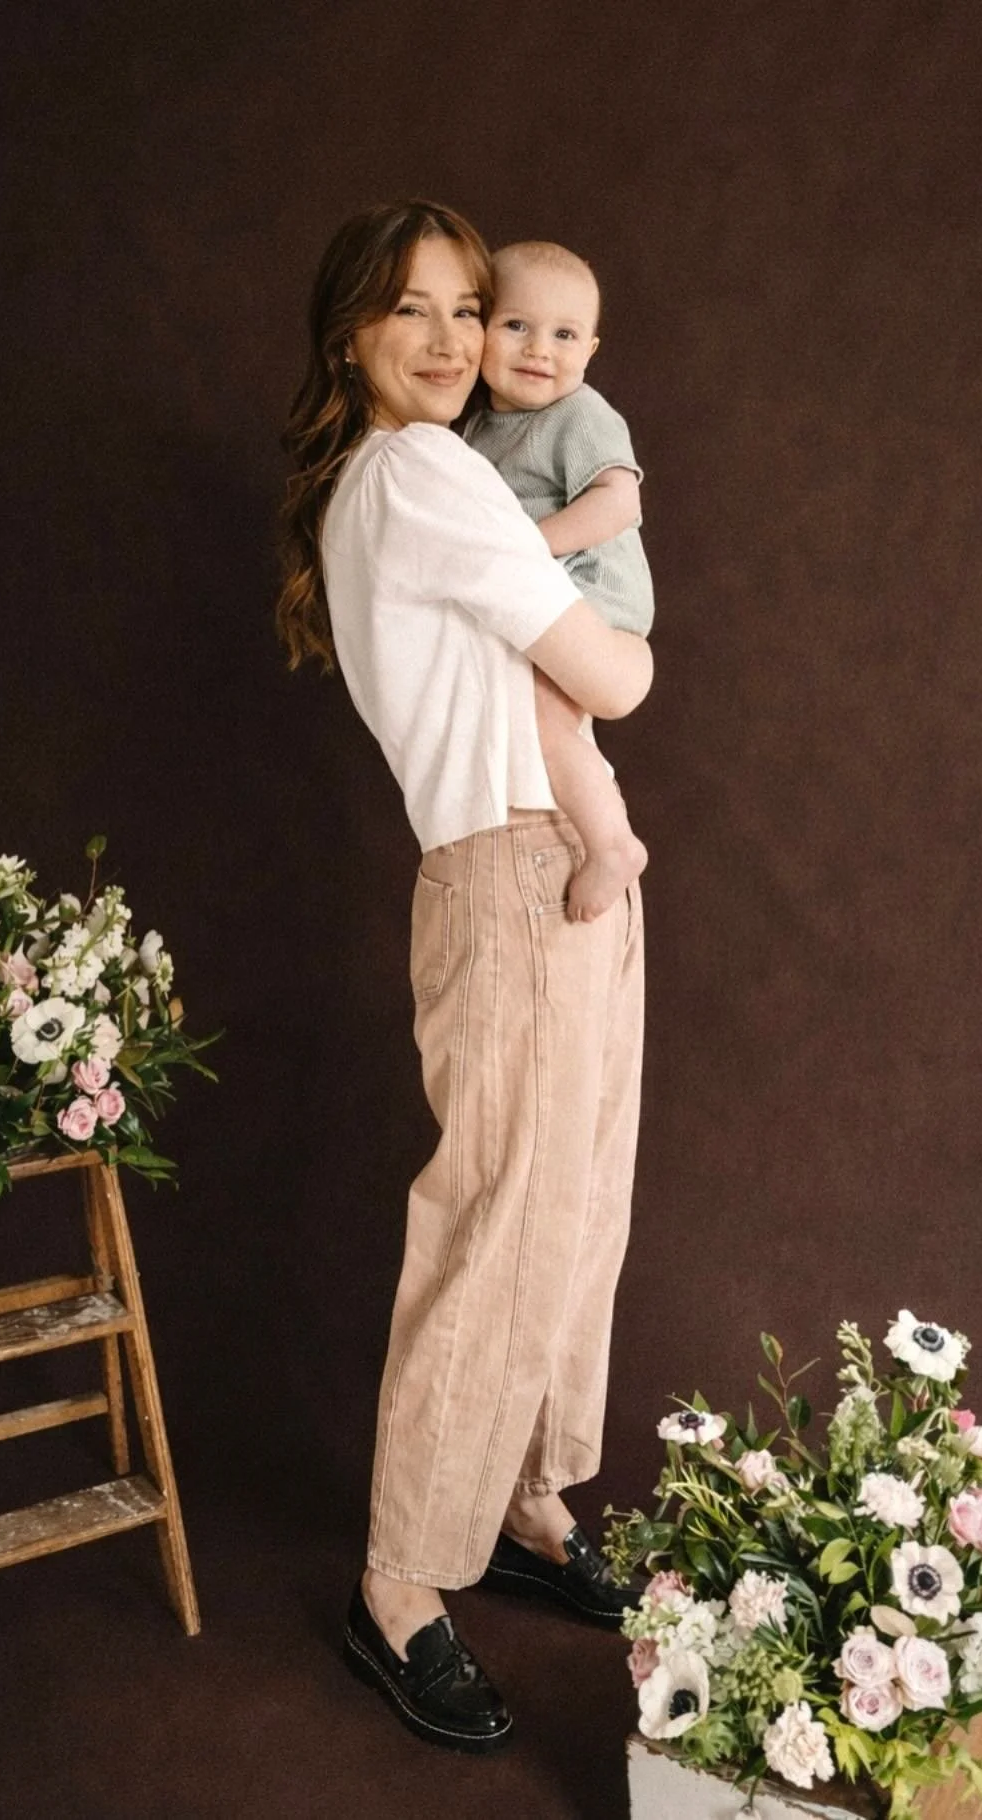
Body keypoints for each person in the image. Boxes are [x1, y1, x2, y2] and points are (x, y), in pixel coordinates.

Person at [277, 199, 650, 1754]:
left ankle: (524, 1499)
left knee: (578, 1200)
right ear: (351, 335)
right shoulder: (421, 470)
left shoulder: (443, 467)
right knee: (501, 1215)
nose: (446, 341)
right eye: (408, 312)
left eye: (463, 309)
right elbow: (620, 672)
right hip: (506, 865)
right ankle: (400, 1581)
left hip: (552, 862)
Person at [464, 240, 652, 923]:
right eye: (516, 325)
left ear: (591, 350)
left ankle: (612, 844)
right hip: (551, 600)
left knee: (541, 721)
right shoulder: (478, 429)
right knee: (532, 724)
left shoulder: (579, 414)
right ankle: (588, 830)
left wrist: (528, 549)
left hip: (597, 596)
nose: (539, 349)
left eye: (564, 334)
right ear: (478, 326)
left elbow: (618, 503)